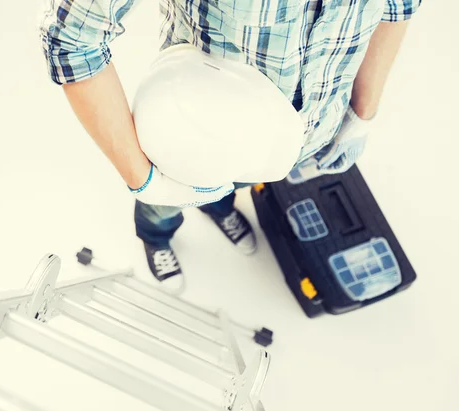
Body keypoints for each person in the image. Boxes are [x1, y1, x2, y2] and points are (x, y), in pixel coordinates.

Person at [39, 0, 420, 293]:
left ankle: (218, 206)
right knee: (161, 207)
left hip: (288, 142)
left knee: (227, 188)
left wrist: (361, 114)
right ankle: (156, 236)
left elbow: (397, 5)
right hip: (190, 131)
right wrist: (144, 180)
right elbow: (71, 38)